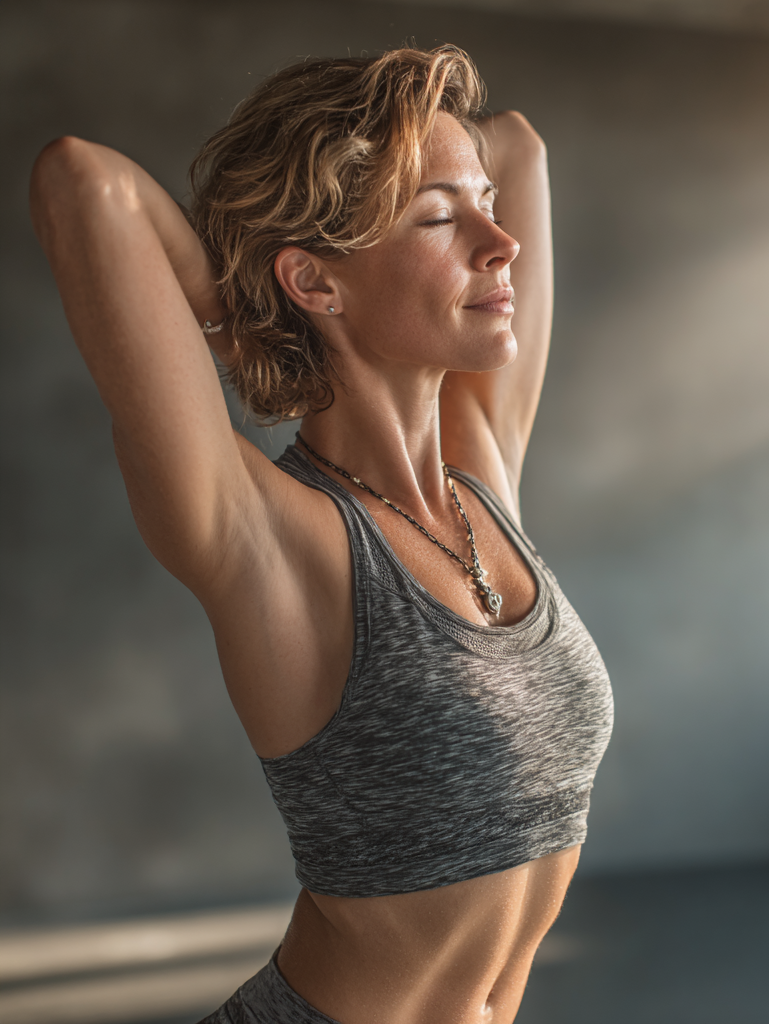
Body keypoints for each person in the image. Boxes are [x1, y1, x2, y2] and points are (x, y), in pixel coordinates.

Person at [30, 45, 613, 1024]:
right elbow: (84, 184)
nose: (499, 241)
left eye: (484, 207)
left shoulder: (482, 476)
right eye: (439, 218)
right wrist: (250, 319)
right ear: (316, 278)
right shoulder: (266, 533)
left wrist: (423, 187)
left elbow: (517, 144)